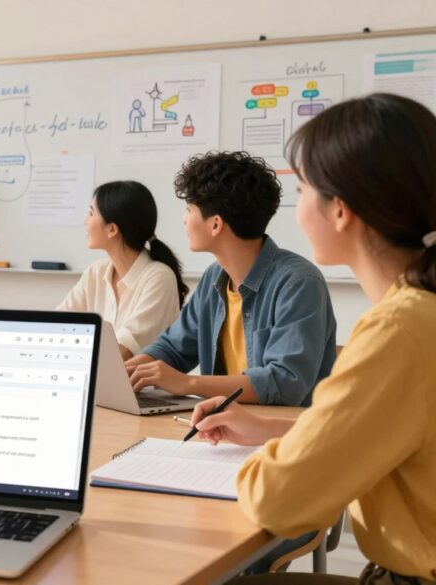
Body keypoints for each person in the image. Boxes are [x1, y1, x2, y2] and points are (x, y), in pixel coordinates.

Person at [192, 93, 436, 584]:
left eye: (301, 189)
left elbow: (275, 499)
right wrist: (270, 431)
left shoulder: (397, 329)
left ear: (340, 210)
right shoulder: (420, 311)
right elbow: (379, 431)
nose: (296, 208)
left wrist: (255, 463)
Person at [126, 151, 337, 406]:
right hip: (226, 430)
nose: (184, 219)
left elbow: (284, 382)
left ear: (215, 225)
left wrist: (188, 383)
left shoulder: (298, 283)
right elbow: (173, 349)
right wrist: (125, 373)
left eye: (189, 209)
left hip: (284, 435)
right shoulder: (214, 279)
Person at [57, 180, 188, 359]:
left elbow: (121, 351)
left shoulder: (159, 277)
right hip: (101, 379)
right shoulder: (96, 271)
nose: (85, 221)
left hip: (142, 386)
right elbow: (58, 326)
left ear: (112, 229)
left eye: (90, 213)